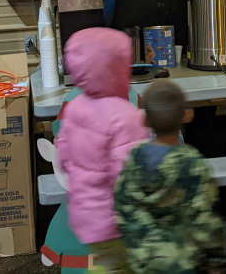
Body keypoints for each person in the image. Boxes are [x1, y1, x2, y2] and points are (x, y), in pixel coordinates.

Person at [56, 27, 150, 274]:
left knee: (108, 262)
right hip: (116, 220)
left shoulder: (75, 107)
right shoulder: (126, 115)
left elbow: (64, 156)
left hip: (85, 215)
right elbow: (130, 175)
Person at [114, 80, 226, 274]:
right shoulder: (192, 162)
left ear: (144, 119)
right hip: (184, 260)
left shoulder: (135, 158)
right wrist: (216, 258)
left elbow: (122, 204)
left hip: (145, 260)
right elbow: (204, 216)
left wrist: (139, 247)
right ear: (187, 115)